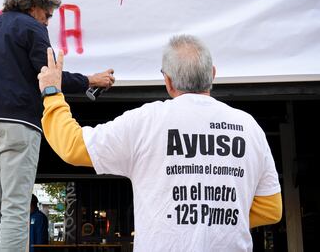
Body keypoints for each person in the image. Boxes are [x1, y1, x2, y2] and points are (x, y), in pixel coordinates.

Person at [37, 35, 282, 251]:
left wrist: (52, 93)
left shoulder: (147, 122)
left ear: (168, 81)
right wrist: (212, 219)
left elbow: (72, 146)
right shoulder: (249, 127)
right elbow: (271, 208)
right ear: (213, 74)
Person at [0, 0, 115, 252]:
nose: (47, 22)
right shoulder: (32, 27)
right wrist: (91, 79)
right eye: (47, 15)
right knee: (15, 206)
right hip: (16, 120)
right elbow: (50, 76)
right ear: (34, 8)